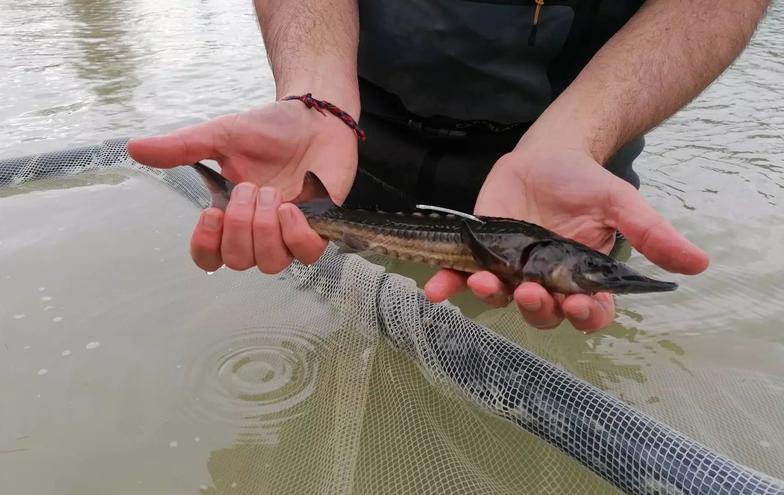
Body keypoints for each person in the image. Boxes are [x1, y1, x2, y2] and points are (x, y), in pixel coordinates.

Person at [127, 0, 769, 332]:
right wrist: (316, 92)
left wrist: (576, 139)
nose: (595, 274)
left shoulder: (557, 234)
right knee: (347, 307)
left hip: (571, 155)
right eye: (589, 269)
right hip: (352, 126)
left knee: (556, 331)